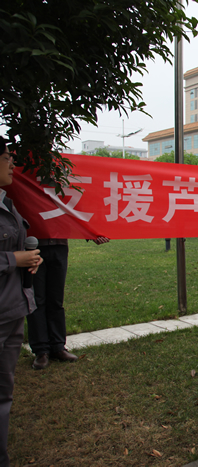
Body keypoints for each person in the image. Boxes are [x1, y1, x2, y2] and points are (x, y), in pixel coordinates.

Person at [0, 137, 43, 466]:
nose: (12, 163)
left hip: (14, 307)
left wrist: (29, 259)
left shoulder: (7, 204)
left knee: (5, 391)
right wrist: (16, 258)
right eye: (6, 157)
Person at [28, 236, 109, 370]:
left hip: (59, 246)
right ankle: (41, 350)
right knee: (37, 300)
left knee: (56, 299)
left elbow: (75, 215)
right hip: (33, 247)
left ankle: (58, 346)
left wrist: (91, 233)